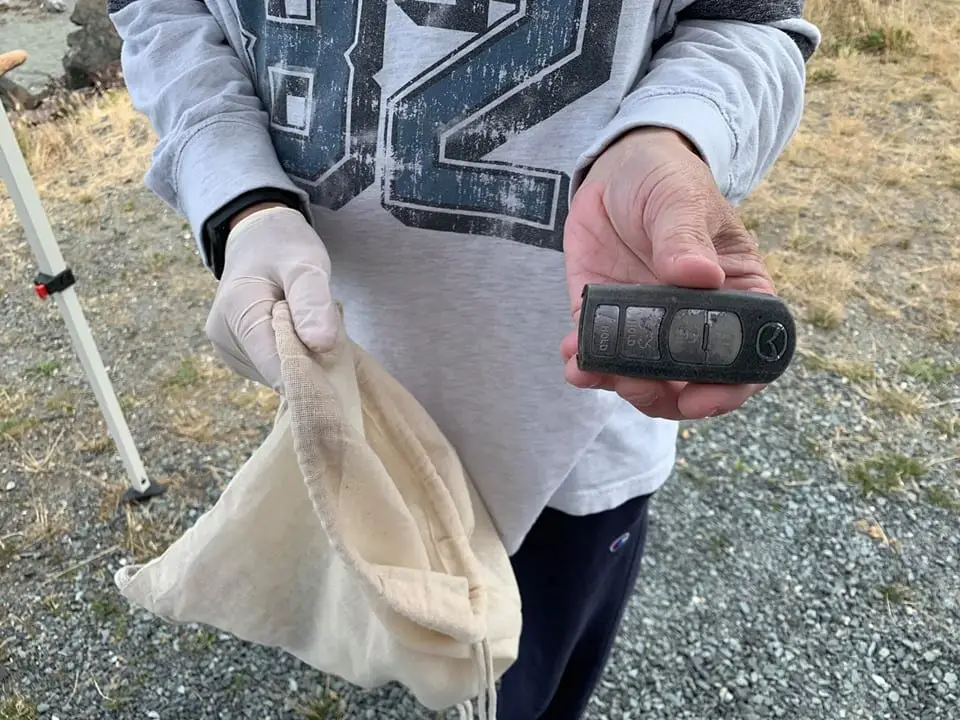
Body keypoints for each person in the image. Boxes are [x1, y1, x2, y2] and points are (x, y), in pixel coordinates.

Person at [107, 1, 819, 717]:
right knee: (376, 628)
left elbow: (749, 21)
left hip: (573, 447)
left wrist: (674, 132)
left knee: (528, 693)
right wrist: (239, 195)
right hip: (348, 402)